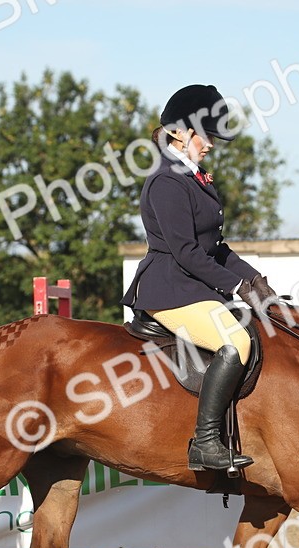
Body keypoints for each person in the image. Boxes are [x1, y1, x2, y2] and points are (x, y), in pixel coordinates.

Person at [122, 84, 279, 472]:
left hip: (192, 286)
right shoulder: (166, 181)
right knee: (235, 341)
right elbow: (186, 252)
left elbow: (216, 246)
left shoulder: (193, 177)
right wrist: (236, 286)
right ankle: (205, 443)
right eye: (205, 135)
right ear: (179, 132)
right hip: (169, 289)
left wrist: (255, 280)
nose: (210, 144)